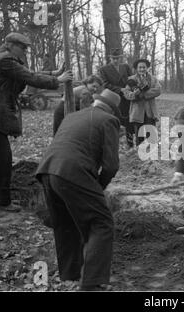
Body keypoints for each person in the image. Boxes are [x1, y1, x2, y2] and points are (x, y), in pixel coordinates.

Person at [0, 32, 73, 212]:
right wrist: (57, 80)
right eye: (22, 47)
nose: (25, 51)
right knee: (1, 159)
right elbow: (30, 77)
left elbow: (28, 72)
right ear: (10, 44)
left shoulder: (5, 57)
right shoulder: (4, 59)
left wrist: (53, 73)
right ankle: (1, 202)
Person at [36, 88, 121, 291]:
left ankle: (70, 274)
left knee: (65, 222)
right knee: (102, 223)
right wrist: (98, 188)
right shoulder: (109, 120)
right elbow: (111, 165)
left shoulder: (72, 116)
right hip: (73, 172)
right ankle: (91, 283)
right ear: (111, 110)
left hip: (48, 170)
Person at [98, 48, 134, 147]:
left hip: (126, 98)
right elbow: (105, 84)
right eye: (113, 58)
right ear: (110, 58)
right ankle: (113, 145)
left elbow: (132, 79)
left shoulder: (125, 67)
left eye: (117, 58)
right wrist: (120, 89)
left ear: (121, 58)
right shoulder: (104, 69)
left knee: (128, 121)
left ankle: (130, 143)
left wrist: (128, 86)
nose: (115, 60)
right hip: (113, 98)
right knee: (114, 121)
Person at [123, 59, 161, 146]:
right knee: (139, 134)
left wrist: (143, 94)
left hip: (150, 111)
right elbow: (126, 94)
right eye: (140, 67)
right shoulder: (131, 80)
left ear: (147, 68)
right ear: (136, 68)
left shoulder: (153, 79)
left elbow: (158, 90)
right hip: (137, 111)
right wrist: (134, 95)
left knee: (150, 133)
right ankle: (139, 152)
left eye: (144, 67)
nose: (142, 69)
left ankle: (151, 152)